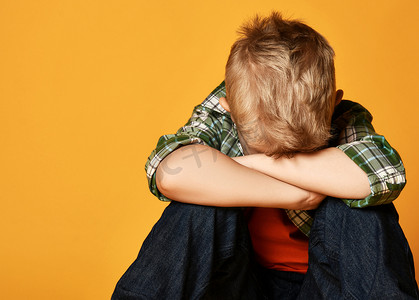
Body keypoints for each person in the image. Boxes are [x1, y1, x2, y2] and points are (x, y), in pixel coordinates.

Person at [112, 12, 418, 299]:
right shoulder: (224, 116)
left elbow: (384, 174)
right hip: (238, 283)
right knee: (197, 207)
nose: (279, 158)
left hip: (326, 286)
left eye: (298, 152)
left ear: (333, 107)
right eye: (266, 150)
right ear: (229, 110)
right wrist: (299, 195)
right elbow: (169, 172)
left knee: (364, 211)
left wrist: (254, 161)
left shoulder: (345, 119)